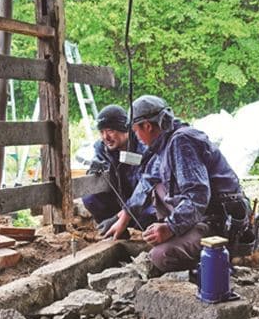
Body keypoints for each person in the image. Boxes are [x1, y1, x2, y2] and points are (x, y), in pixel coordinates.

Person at [105, 95, 251, 273]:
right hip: (204, 212)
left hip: (217, 220)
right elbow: (149, 178)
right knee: (156, 188)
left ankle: (214, 261)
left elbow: (198, 197)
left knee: (160, 256)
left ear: (148, 126)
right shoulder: (167, 139)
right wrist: (126, 215)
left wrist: (170, 227)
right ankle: (182, 235)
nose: (136, 136)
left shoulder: (181, 142)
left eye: (136, 130)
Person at [82, 104, 144, 234]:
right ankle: (116, 231)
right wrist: (94, 170)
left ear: (125, 129)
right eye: (101, 132)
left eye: (110, 131)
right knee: (89, 196)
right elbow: (94, 172)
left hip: (143, 204)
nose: (105, 137)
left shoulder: (142, 143)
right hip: (119, 200)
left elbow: (149, 184)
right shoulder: (102, 148)